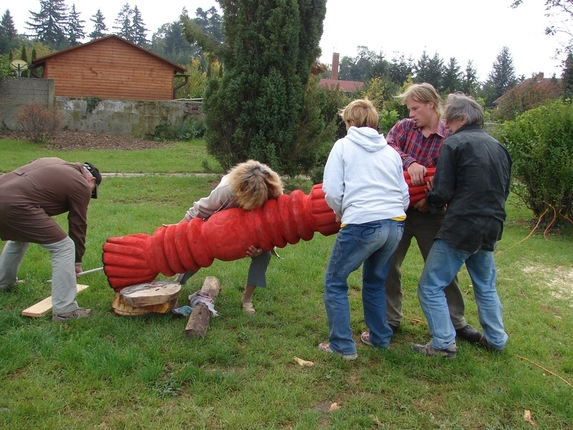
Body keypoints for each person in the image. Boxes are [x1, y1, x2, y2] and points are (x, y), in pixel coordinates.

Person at [411, 93, 511, 358]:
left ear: (463, 118)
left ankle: (443, 344)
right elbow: (504, 189)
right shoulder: (498, 147)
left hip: (461, 226)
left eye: (450, 121)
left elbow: (442, 191)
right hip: (492, 224)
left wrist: (427, 202)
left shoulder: (454, 144)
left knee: (430, 285)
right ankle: (496, 340)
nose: (447, 126)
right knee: (485, 285)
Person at [385, 83, 483, 343]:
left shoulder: (450, 136)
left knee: (442, 269)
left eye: (415, 108)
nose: (412, 113)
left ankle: (456, 322)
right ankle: (390, 319)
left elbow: (455, 175)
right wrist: (411, 162)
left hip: (434, 214)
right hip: (399, 211)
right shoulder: (404, 127)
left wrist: (432, 200)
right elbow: (387, 147)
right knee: (388, 264)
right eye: (409, 109)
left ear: (431, 104)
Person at [319, 98, 410, 360]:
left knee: (335, 281)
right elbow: (403, 194)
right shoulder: (391, 152)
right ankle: (380, 338)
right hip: (395, 224)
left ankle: (342, 346)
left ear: (350, 122)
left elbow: (333, 190)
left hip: (362, 222)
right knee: (375, 281)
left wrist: (340, 211)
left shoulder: (343, 146)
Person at [0, 157, 102, 322]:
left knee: (19, 237)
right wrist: (76, 262)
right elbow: (78, 225)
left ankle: (4, 283)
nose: (89, 195)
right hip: (17, 204)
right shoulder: (81, 184)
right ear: (91, 180)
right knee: (64, 247)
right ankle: (65, 310)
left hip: (5, 195)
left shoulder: (52, 161)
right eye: (92, 191)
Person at [176, 159, 283, 315]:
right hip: (221, 222)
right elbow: (196, 211)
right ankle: (176, 286)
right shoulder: (226, 190)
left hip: (254, 229)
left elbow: (274, 228)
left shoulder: (273, 193)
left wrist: (261, 248)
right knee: (197, 247)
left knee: (264, 256)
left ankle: (246, 299)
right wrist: (174, 233)